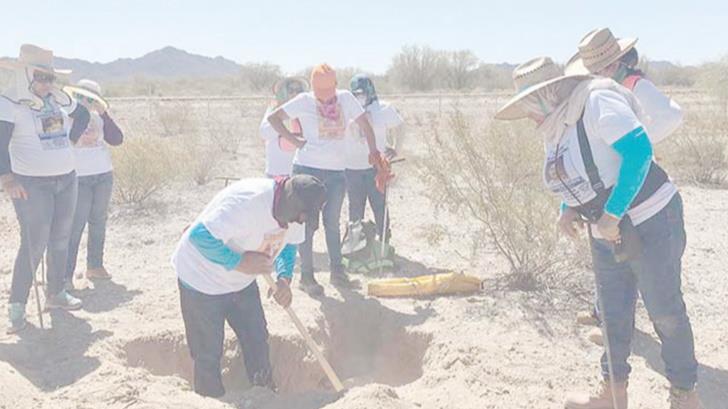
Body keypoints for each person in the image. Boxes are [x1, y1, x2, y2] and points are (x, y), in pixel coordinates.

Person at [495, 57, 701, 409]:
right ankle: (612, 394)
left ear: (552, 92)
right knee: (611, 312)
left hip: (651, 219)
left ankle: (684, 394)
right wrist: (569, 209)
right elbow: (574, 172)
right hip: (607, 229)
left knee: (664, 310)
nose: (528, 112)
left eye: (530, 101)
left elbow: (638, 151)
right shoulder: (555, 125)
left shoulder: (595, 101)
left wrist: (612, 213)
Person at [567, 28, 685, 345]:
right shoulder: (602, 89)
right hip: (612, 183)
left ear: (616, 60)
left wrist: (633, 144)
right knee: (608, 251)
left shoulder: (634, 84)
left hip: (636, 186)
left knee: (628, 252)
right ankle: (602, 314)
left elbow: (672, 116)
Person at [171, 174, 326, 397]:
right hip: (201, 280)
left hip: (242, 281)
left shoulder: (296, 213)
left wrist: (284, 279)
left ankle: (264, 394)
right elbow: (198, 235)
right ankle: (210, 397)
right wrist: (240, 262)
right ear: (290, 204)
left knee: (256, 337)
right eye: (301, 217)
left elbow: (289, 245)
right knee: (208, 351)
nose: (301, 222)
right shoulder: (247, 203)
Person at [267, 64, 389, 296]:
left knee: (331, 222)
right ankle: (307, 276)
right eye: (320, 94)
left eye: (328, 92)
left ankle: (337, 272)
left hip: (335, 173)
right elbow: (275, 119)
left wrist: (374, 153)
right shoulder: (303, 100)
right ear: (313, 87)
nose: (325, 99)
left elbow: (365, 125)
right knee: (306, 224)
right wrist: (294, 139)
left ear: (335, 85)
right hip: (305, 170)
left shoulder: (345, 99)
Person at [1, 44, 90, 334]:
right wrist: (7, 179)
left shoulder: (60, 99)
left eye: (50, 77)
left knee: (61, 237)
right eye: (40, 76)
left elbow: (84, 116)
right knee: (34, 243)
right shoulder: (10, 103)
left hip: (67, 179)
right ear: (26, 74)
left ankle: (56, 293)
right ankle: (17, 305)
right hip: (31, 184)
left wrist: (71, 142)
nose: (46, 83)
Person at [566, 28, 683, 145]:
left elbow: (672, 115)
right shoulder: (594, 91)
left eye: (598, 70)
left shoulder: (636, 86)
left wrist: (635, 145)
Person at [64, 79, 124, 289]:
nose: (85, 101)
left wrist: (104, 113)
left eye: (90, 98)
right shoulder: (67, 115)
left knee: (98, 221)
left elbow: (116, 139)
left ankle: (95, 266)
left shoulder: (99, 118)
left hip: (103, 174)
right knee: (75, 225)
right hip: (79, 177)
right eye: (80, 96)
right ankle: (65, 275)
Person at [259, 77, 309, 177]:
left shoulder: (304, 111)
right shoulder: (273, 110)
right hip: (276, 172)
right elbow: (265, 133)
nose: (295, 94)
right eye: (290, 90)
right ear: (283, 92)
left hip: (298, 172)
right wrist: (283, 114)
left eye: (298, 90)